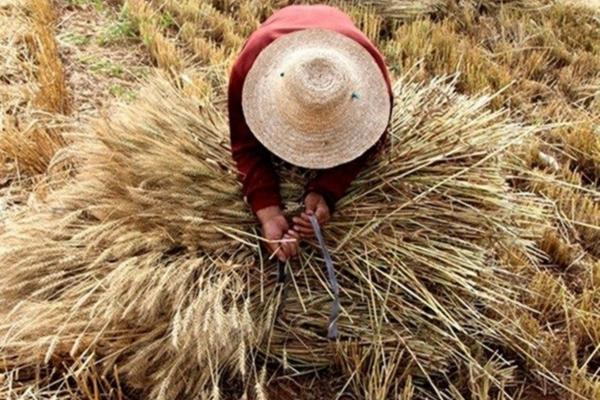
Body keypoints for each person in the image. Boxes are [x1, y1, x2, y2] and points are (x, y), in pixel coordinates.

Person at [228, 4, 392, 262]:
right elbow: (244, 145)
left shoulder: (374, 81)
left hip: (339, 28)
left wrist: (326, 191)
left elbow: (370, 141)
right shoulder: (250, 68)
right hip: (277, 33)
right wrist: (268, 212)